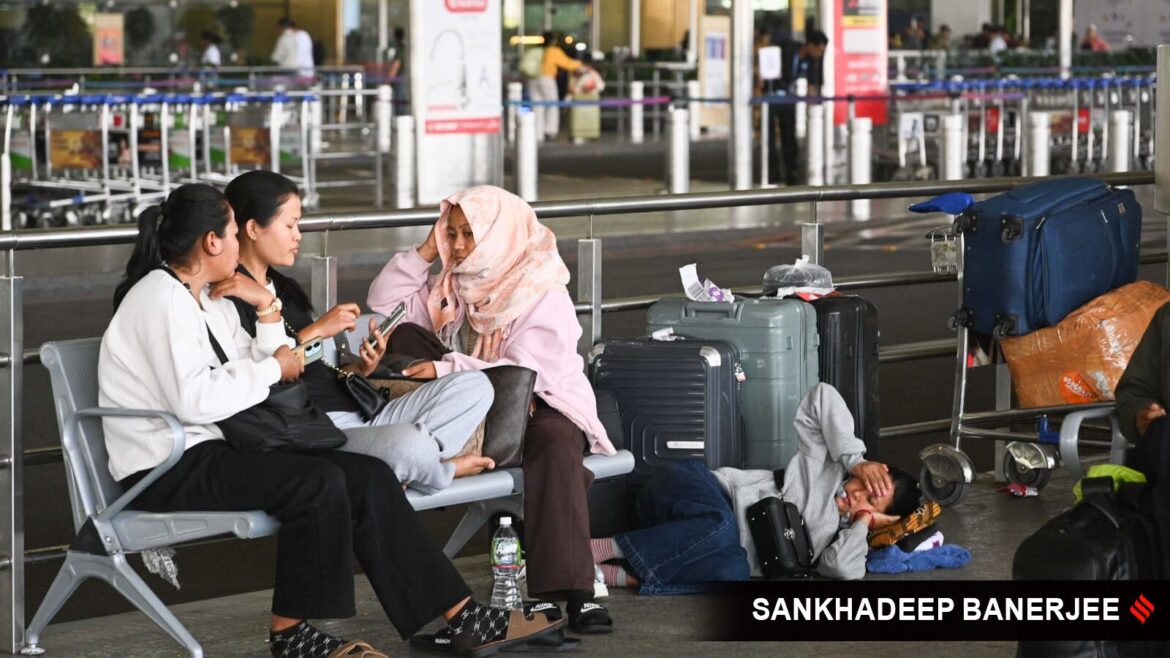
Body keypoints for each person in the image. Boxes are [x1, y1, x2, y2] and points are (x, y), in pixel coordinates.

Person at [100, 183, 563, 658]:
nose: (238, 244)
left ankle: (463, 617)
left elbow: (274, 365)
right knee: (316, 482)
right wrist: (272, 367)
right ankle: (291, 635)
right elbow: (196, 400)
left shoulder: (204, 300)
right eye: (234, 233)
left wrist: (266, 308)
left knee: (369, 477)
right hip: (166, 465)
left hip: (216, 448)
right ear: (211, 242)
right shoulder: (159, 299)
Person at [367, 185, 619, 634]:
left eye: (470, 234)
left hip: (540, 402)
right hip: (475, 409)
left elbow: (527, 370)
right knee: (403, 334)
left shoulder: (541, 289)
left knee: (556, 443)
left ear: (501, 235)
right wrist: (429, 249)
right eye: (452, 233)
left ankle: (574, 593)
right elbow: (384, 305)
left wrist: (446, 368)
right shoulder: (453, 284)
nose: (460, 246)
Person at [223, 170, 496, 494]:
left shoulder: (285, 289)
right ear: (254, 228)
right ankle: (438, 469)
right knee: (409, 445)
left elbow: (308, 361)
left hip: (365, 410)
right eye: (290, 225)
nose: (298, 236)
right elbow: (264, 376)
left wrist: (360, 367)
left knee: (476, 385)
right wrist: (319, 329)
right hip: (318, 430)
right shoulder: (232, 295)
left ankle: (415, 465)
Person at [590, 384, 922, 591]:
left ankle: (617, 576)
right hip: (693, 490)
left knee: (734, 572)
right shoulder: (825, 466)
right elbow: (821, 396)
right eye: (866, 485)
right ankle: (595, 550)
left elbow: (841, 569)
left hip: (694, 545)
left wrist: (862, 522)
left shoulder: (846, 541)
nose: (858, 495)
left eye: (871, 503)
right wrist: (855, 460)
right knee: (720, 526)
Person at [767, 30, 828, 186]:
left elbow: (813, 83)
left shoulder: (812, 61)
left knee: (789, 136)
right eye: (819, 50)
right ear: (810, 45)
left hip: (788, 100)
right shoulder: (787, 47)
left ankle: (791, 173)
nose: (820, 54)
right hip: (771, 97)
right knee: (770, 137)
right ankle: (772, 173)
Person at [530, 31, 585, 141]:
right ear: (553, 40)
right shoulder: (553, 51)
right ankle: (550, 131)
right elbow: (567, 64)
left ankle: (537, 134)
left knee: (537, 107)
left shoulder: (536, 50)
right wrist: (581, 65)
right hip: (546, 79)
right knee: (552, 105)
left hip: (532, 79)